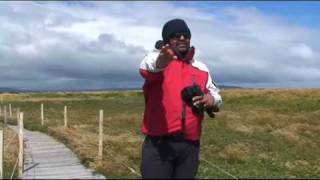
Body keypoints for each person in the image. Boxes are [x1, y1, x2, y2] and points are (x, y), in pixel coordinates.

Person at [139, 18, 223, 179]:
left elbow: (217, 96)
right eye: (176, 36)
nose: (182, 38)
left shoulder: (201, 68)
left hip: (190, 146)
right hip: (158, 145)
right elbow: (147, 67)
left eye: (186, 35)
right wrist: (163, 60)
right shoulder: (155, 60)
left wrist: (211, 100)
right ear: (167, 41)